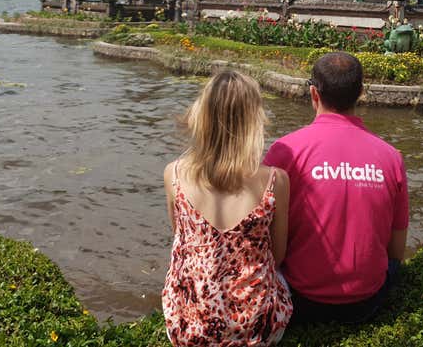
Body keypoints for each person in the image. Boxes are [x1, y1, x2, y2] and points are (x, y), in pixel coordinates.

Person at [264, 52, 409, 324]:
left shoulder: (285, 151)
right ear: (361, 93)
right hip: (368, 300)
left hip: (300, 298)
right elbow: (396, 251)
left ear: (313, 94)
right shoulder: (391, 157)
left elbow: (261, 233)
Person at [162, 71, 292, 346]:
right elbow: (278, 255)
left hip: (189, 330)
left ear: (202, 116)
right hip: (258, 330)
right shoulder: (275, 180)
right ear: (253, 122)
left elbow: (180, 237)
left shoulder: (173, 173)